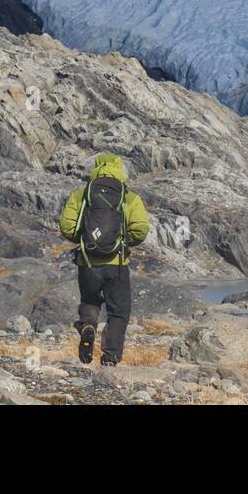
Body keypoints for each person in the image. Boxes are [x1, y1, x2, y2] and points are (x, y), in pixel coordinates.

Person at [58, 153, 150, 366]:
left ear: (96, 167)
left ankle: (89, 325)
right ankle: (110, 357)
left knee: (90, 301)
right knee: (118, 312)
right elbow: (141, 229)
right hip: (117, 264)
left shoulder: (82, 194)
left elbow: (67, 226)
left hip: (88, 263)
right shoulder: (128, 196)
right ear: (120, 168)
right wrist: (123, 243)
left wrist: (83, 241)